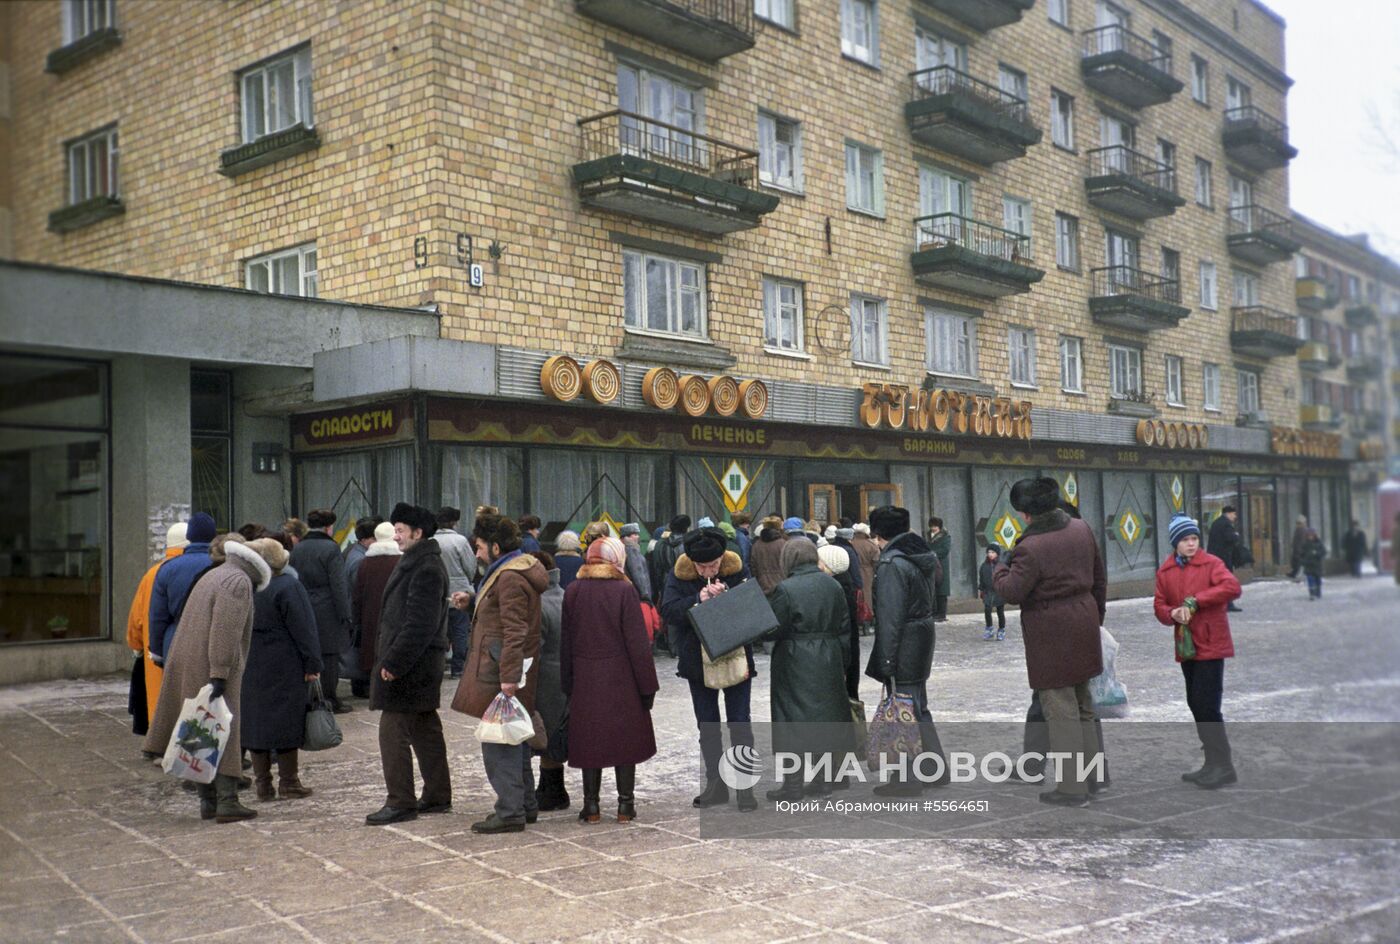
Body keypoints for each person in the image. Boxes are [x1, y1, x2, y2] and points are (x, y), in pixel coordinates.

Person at [143, 535, 276, 823]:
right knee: (224, 727)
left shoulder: (216, 573)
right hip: (210, 664)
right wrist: (220, 672)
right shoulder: (238, 582)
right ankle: (227, 802)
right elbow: (224, 632)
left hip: (190, 659)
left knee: (200, 727)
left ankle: (208, 801)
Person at [993, 478, 1106, 808]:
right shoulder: (1082, 529)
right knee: (1084, 707)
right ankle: (1093, 778)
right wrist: (1094, 618)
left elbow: (1012, 591)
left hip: (1051, 632)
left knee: (1061, 711)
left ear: (1026, 514)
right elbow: (1100, 579)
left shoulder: (1030, 547)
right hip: (1084, 622)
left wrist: (1000, 567)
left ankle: (1072, 789)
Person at [454, 512, 549, 834]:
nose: (476, 553)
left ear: (495, 547)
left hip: (500, 672)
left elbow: (514, 631)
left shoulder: (508, 576)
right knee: (516, 735)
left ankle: (510, 811)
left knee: (499, 742)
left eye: (479, 546)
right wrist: (472, 603)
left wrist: (508, 678)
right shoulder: (512, 569)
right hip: (506, 668)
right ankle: (525, 805)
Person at [561, 536, 660, 823]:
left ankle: (591, 806)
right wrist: (647, 686)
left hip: (585, 678)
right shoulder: (624, 590)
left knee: (590, 741)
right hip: (622, 678)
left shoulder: (573, 590)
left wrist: (567, 683)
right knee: (624, 741)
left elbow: (566, 643)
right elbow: (637, 643)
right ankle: (625, 806)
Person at [366, 503, 452, 825]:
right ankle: (437, 794)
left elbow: (419, 623)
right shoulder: (416, 562)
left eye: (401, 530)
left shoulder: (426, 567)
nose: (396, 536)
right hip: (419, 663)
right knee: (425, 729)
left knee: (393, 730)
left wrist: (394, 662)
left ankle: (400, 800)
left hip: (413, 665)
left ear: (418, 533)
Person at [660, 527, 756, 812]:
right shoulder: (679, 575)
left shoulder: (736, 569)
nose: (708, 570)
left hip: (736, 656)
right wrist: (698, 600)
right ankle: (716, 784)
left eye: (713, 565)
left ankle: (745, 787)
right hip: (697, 660)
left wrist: (726, 593)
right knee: (708, 725)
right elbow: (669, 611)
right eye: (702, 566)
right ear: (692, 562)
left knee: (740, 722)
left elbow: (753, 605)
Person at [1153, 513, 1241, 790]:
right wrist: (1172, 613)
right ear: (1175, 543)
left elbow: (1232, 587)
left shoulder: (1212, 564)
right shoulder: (1166, 571)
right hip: (1187, 645)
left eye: (1194, 539)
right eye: (1185, 540)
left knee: (1207, 705)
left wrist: (1196, 602)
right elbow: (1159, 606)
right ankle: (1212, 763)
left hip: (1211, 644)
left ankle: (1223, 765)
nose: (1191, 544)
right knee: (1195, 702)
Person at [864, 506, 948, 796]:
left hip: (905, 642)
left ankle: (908, 779)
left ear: (879, 533)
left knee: (903, 711)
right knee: (917, 706)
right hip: (922, 637)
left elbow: (889, 617)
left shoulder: (891, 563)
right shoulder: (920, 554)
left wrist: (886, 659)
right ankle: (934, 770)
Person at [763, 540, 853, 800]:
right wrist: (842, 662)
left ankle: (792, 786)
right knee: (824, 719)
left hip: (794, 658)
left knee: (791, 720)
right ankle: (823, 781)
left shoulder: (785, 589)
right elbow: (845, 627)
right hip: (828, 656)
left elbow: (773, 627)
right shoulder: (833, 585)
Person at [242, 537, 322, 802]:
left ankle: (263, 784)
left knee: (255, 722)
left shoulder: (247, 587)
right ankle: (289, 781)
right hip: (285, 662)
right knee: (287, 720)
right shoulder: (288, 586)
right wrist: (313, 663)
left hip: (252, 661)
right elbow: (305, 629)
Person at [289, 508, 353, 713]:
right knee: (330, 656)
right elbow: (339, 585)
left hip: (303, 603)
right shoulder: (331, 549)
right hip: (327, 608)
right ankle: (329, 698)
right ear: (329, 527)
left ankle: (309, 696)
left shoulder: (298, 548)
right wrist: (345, 614)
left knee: (308, 652)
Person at [127, 522, 188, 737]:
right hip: (185, 649)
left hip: (154, 652)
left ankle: (158, 740)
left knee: (158, 700)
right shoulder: (195, 569)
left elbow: (136, 619)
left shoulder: (152, 574)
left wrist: (136, 645)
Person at [148, 512, 217, 667]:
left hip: (176, 643)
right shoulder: (223, 565)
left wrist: (158, 652)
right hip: (212, 643)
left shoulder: (167, 569)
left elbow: (158, 617)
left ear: (189, 536)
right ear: (214, 536)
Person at [532, 551, 570, 813]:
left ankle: (552, 792)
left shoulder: (538, 603)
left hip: (544, 678)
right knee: (554, 734)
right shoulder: (564, 595)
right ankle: (551, 789)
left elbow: (533, 647)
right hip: (564, 676)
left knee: (543, 735)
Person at [433, 507, 479, 680]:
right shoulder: (459, 541)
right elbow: (470, 566)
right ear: (454, 522)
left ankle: (439, 663)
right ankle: (458, 668)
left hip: (438, 591)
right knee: (460, 630)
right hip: (460, 589)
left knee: (440, 629)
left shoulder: (431, 540)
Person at [352, 522, 400, 684]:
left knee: (372, 650)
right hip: (395, 613)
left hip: (370, 613)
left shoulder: (366, 562)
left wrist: (356, 618)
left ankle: (371, 682)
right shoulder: (401, 560)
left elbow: (357, 593)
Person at [817, 543, 861, 702]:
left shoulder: (835, 589)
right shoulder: (844, 584)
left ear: (829, 565)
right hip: (847, 655)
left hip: (842, 658)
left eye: (819, 561)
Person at [342, 516, 381, 698]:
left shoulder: (353, 553)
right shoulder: (360, 559)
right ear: (365, 539)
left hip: (354, 610)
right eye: (374, 539)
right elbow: (360, 589)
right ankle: (361, 685)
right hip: (358, 612)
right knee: (361, 650)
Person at [1207, 505, 1244, 612]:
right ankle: (1228, 603)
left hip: (1214, 556)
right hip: (1223, 557)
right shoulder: (1226, 524)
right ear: (1228, 513)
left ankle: (1219, 602)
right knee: (1226, 580)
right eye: (1234, 514)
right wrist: (1236, 535)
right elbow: (1229, 538)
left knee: (1216, 580)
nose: (1235, 516)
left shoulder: (1216, 522)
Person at [749, 514, 789, 595]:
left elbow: (753, 568)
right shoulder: (783, 544)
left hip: (762, 586)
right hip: (782, 586)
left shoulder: (756, 545)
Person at [619, 523, 653, 604]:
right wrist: (645, 594)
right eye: (635, 534)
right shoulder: (632, 550)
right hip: (639, 596)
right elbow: (638, 573)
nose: (638, 537)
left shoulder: (623, 550)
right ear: (626, 537)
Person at [979, 546, 1006, 641]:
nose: (990, 554)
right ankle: (989, 628)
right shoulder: (984, 565)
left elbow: (1006, 578)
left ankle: (1001, 629)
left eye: (992, 552)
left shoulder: (1001, 565)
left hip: (999, 591)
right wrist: (982, 590)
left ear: (997, 554)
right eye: (989, 552)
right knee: (987, 609)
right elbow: (981, 578)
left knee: (1000, 611)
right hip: (988, 591)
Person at [927, 517, 952, 623]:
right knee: (933, 589)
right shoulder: (928, 535)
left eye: (935, 526)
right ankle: (934, 612)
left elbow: (945, 550)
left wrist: (932, 553)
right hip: (931, 564)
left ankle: (942, 613)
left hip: (942, 565)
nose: (933, 528)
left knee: (942, 590)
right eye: (932, 526)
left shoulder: (945, 536)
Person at [1300, 529, 1327, 600]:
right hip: (1308, 565)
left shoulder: (1319, 543)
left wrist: (1317, 554)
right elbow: (1301, 554)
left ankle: (1318, 591)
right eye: (1309, 535)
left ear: (1314, 535)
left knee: (1317, 580)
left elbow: (1324, 552)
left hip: (1317, 565)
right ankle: (1312, 593)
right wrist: (1303, 561)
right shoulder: (1305, 544)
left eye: (1311, 535)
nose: (1310, 537)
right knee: (1310, 579)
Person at [1287, 514, 1309, 580]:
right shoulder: (1298, 530)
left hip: (1300, 549)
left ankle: (1298, 573)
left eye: (1299, 523)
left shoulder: (1304, 530)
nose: (1297, 525)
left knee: (1299, 561)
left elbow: (1302, 541)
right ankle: (1295, 572)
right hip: (1297, 549)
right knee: (1295, 561)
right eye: (1297, 523)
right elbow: (1295, 539)